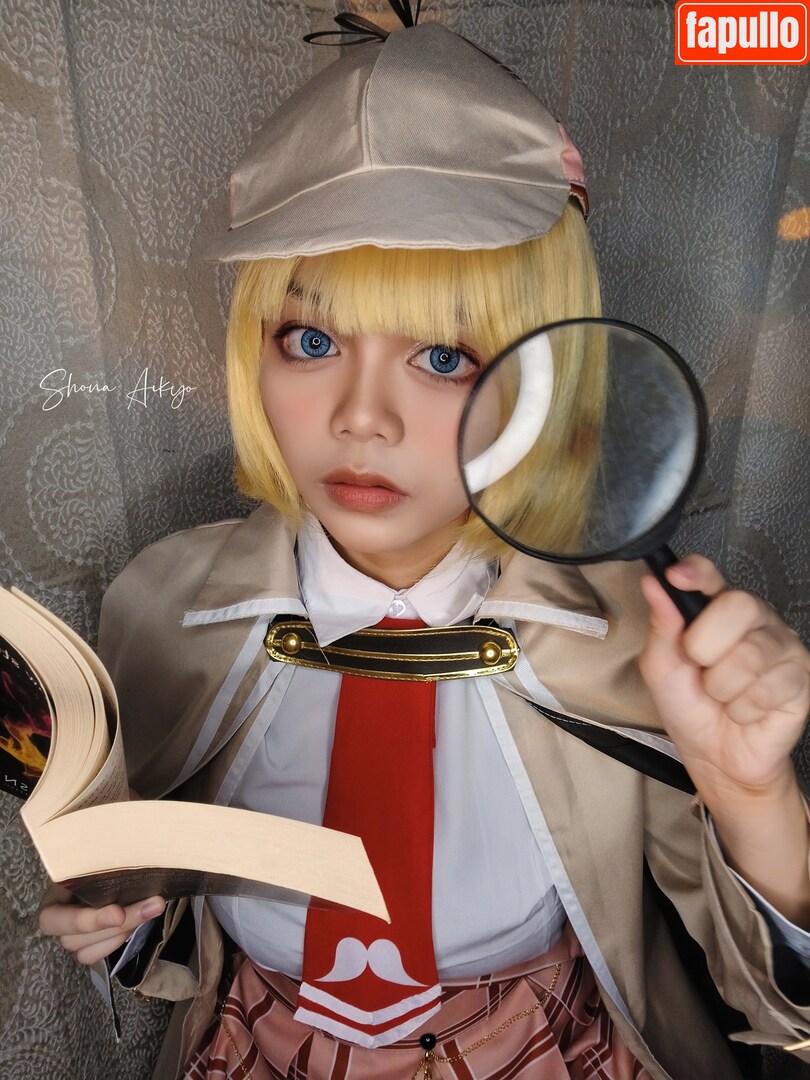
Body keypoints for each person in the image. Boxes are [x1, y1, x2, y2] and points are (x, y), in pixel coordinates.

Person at [38, 11, 810, 1080]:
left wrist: (755, 798)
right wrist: (122, 922)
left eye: (444, 356)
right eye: (310, 339)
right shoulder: (163, 605)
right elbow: (178, 927)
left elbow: (778, 1005)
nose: (362, 419)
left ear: (542, 375)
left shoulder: (631, 636)